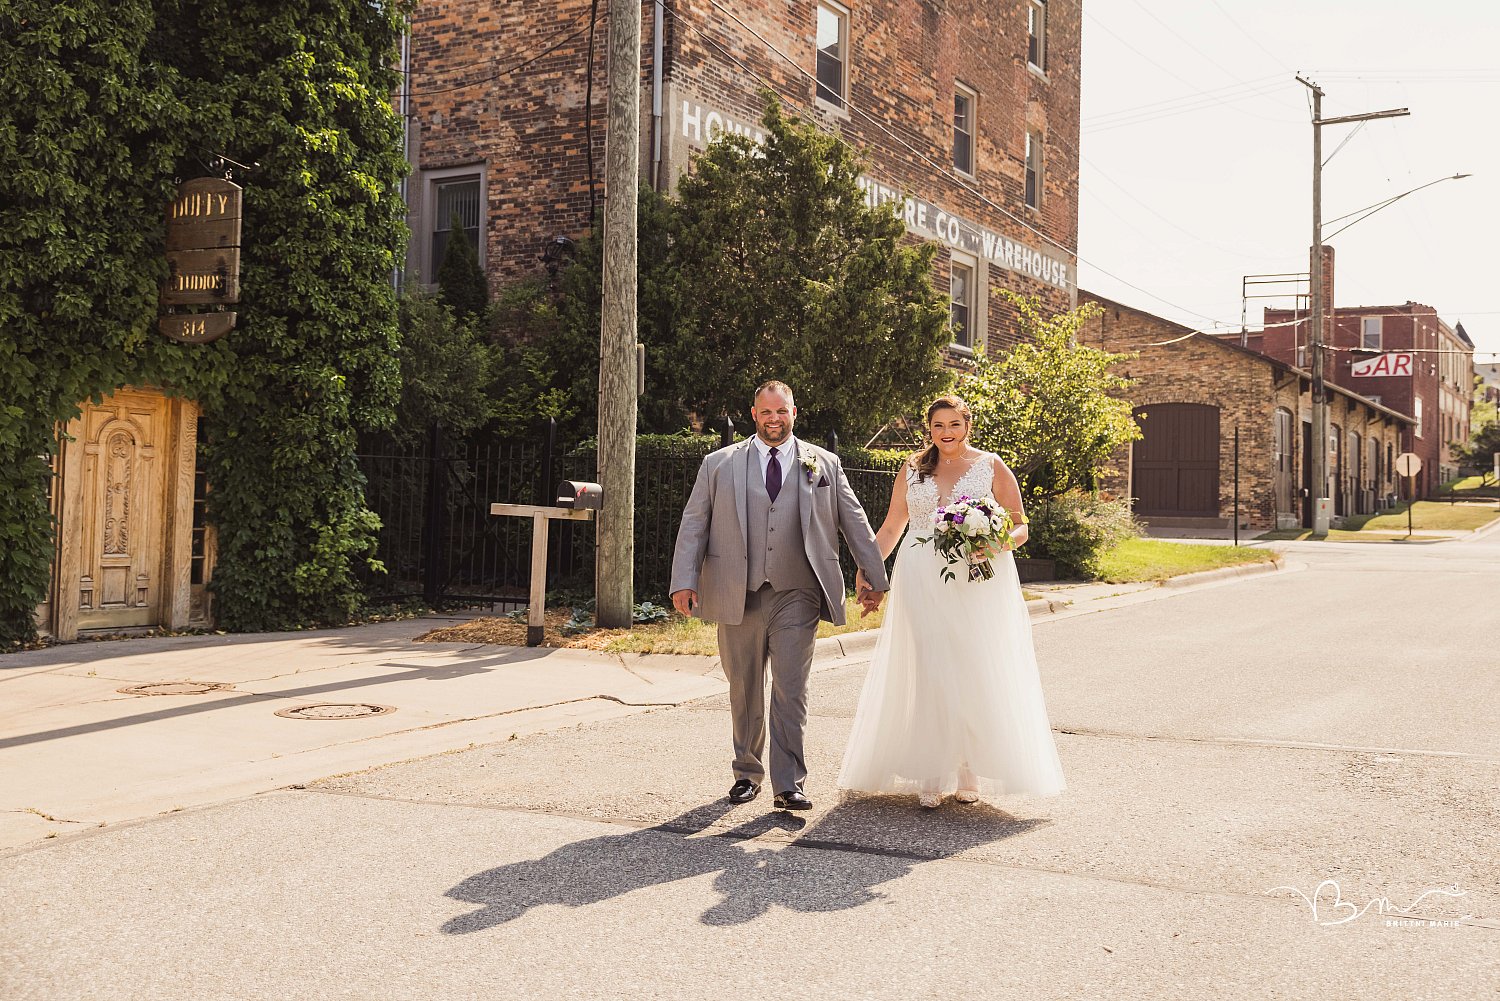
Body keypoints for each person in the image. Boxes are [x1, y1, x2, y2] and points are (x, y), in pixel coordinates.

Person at [671, 381, 890, 811]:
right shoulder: (719, 464)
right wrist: (685, 579)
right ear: (754, 414)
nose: (775, 419)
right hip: (739, 590)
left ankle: (788, 783)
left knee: (791, 688)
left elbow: (854, 520)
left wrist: (875, 578)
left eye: (782, 411)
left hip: (798, 592)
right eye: (766, 412)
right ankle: (747, 772)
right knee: (744, 687)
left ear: (795, 412)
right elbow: (694, 522)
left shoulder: (823, 462)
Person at [839, 394, 1066, 809]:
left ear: (968, 425)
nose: (946, 433)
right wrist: (870, 567)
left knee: (971, 665)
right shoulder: (912, 469)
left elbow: (1021, 527)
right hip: (922, 575)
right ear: (930, 429)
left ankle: (967, 769)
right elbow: (893, 525)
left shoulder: (991, 466)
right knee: (931, 666)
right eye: (938, 426)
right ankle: (930, 770)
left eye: (954, 425)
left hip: (976, 577)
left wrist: (997, 543)